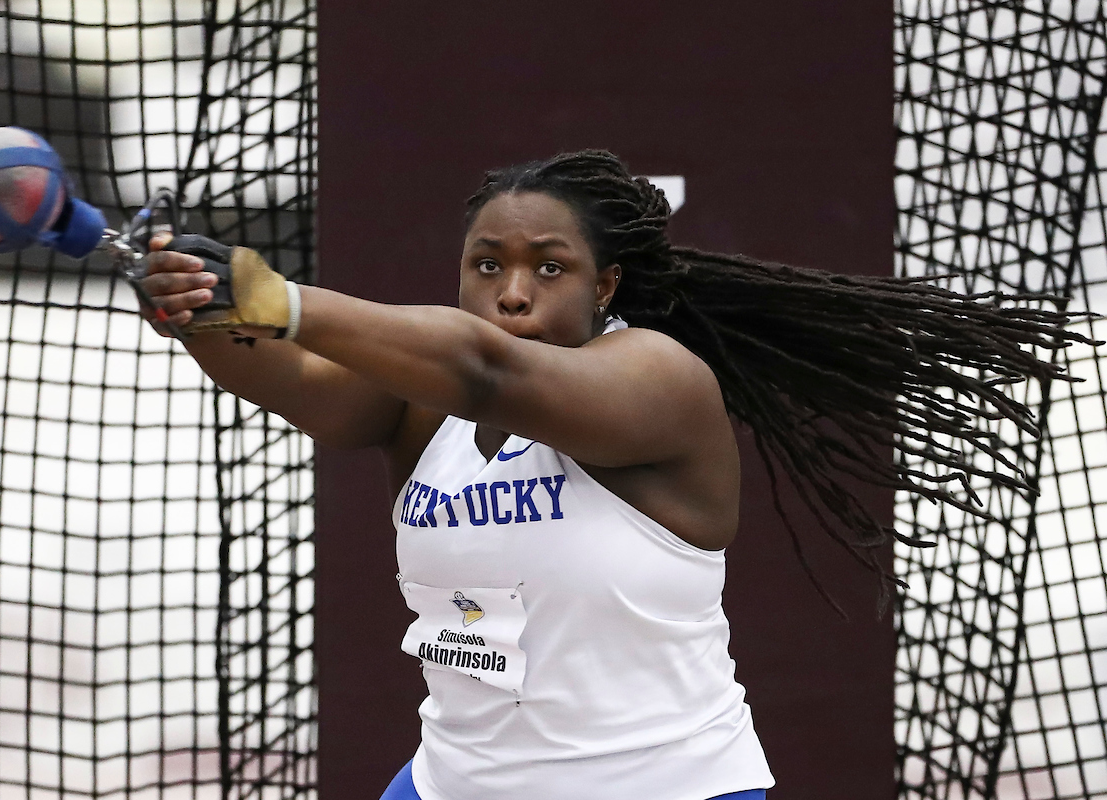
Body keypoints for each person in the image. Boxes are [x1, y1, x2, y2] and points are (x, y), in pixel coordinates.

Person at [139, 150, 1085, 800]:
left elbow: (491, 368)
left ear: (604, 287)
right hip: (453, 782)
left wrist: (286, 298)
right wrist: (201, 312)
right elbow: (297, 381)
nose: (511, 290)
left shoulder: (656, 380)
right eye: (486, 265)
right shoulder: (418, 402)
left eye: (548, 268)